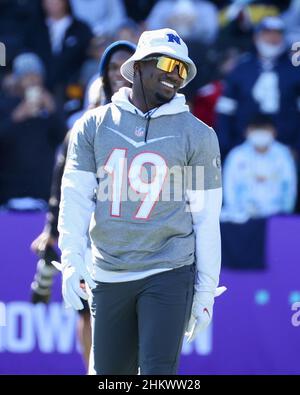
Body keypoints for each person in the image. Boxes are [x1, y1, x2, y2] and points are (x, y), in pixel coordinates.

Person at [57, 28, 224, 375]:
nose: (175, 76)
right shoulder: (94, 125)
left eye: (182, 69)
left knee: (156, 375)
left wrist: (205, 292)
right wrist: (71, 260)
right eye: (167, 64)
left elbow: (205, 220)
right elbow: (74, 200)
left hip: (168, 270)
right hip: (109, 270)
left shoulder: (198, 135)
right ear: (138, 67)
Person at [30, 40, 136, 371]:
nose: (119, 74)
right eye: (112, 67)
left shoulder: (156, 121)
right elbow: (63, 179)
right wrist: (52, 229)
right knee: (88, 308)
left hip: (137, 230)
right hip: (91, 227)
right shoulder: (83, 125)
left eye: (126, 65)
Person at [222, 113, 297, 222]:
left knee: (287, 234)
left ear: (274, 132)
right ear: (246, 132)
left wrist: (285, 214)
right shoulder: (236, 155)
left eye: (265, 129)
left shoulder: (283, 155)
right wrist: (235, 213)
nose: (260, 134)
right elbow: (229, 187)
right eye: (256, 129)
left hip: (276, 214)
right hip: (242, 217)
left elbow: (290, 187)